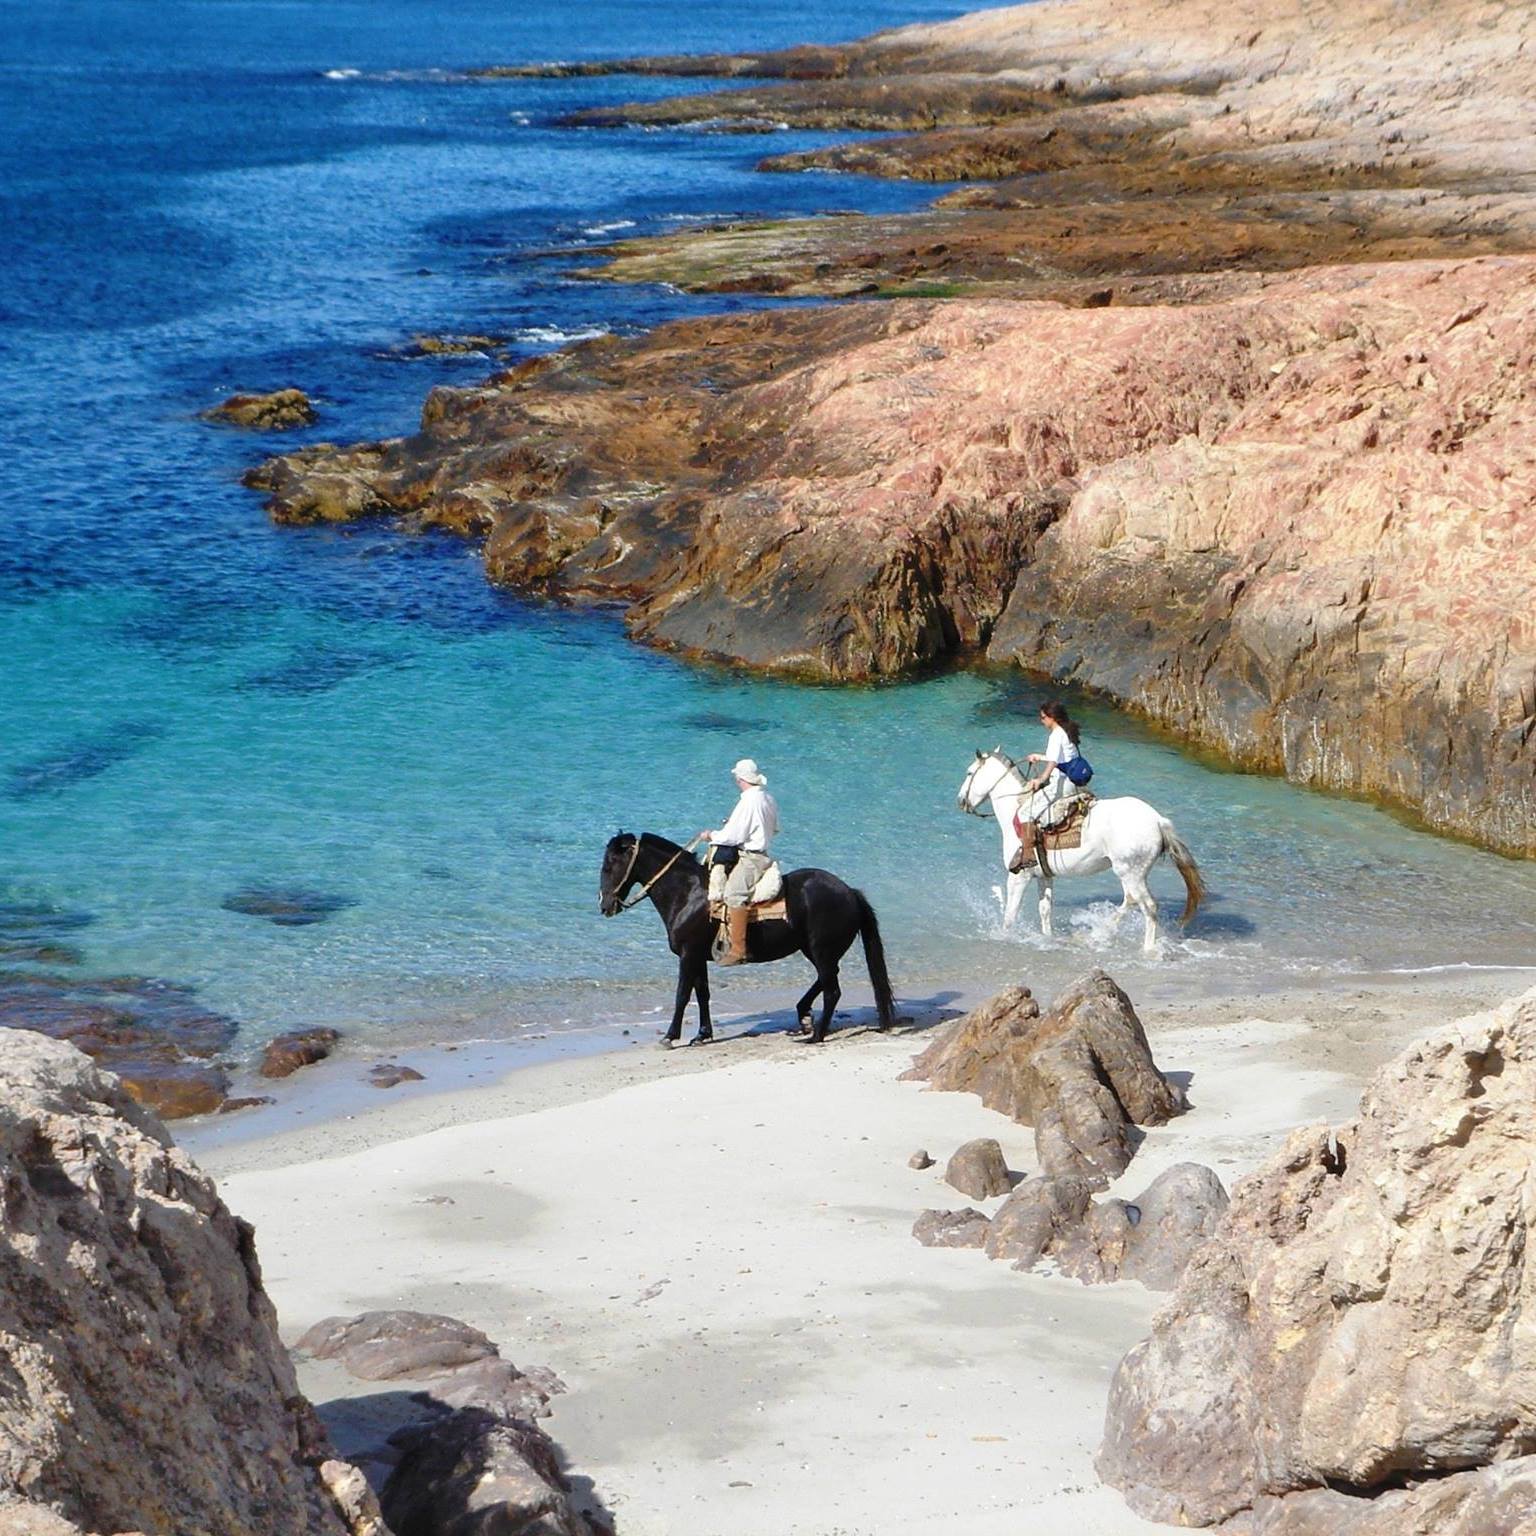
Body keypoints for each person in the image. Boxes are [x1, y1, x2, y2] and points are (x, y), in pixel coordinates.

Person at [699, 757, 779, 965]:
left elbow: (733, 836)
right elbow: (774, 828)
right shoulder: (767, 798)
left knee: (733, 894)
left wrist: (711, 835)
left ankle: (738, 950)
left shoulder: (748, 801)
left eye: (736, 778)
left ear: (740, 779)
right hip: (760, 851)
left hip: (751, 857)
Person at [1022, 699, 1084, 832]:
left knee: (1025, 813)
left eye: (1043, 717)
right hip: (1075, 782)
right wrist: (1038, 757)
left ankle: (1029, 852)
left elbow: (1054, 762)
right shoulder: (1067, 731)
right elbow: (1062, 758)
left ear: (1052, 717)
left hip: (1062, 784)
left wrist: (1041, 779)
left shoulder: (1056, 735)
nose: (1041, 721)